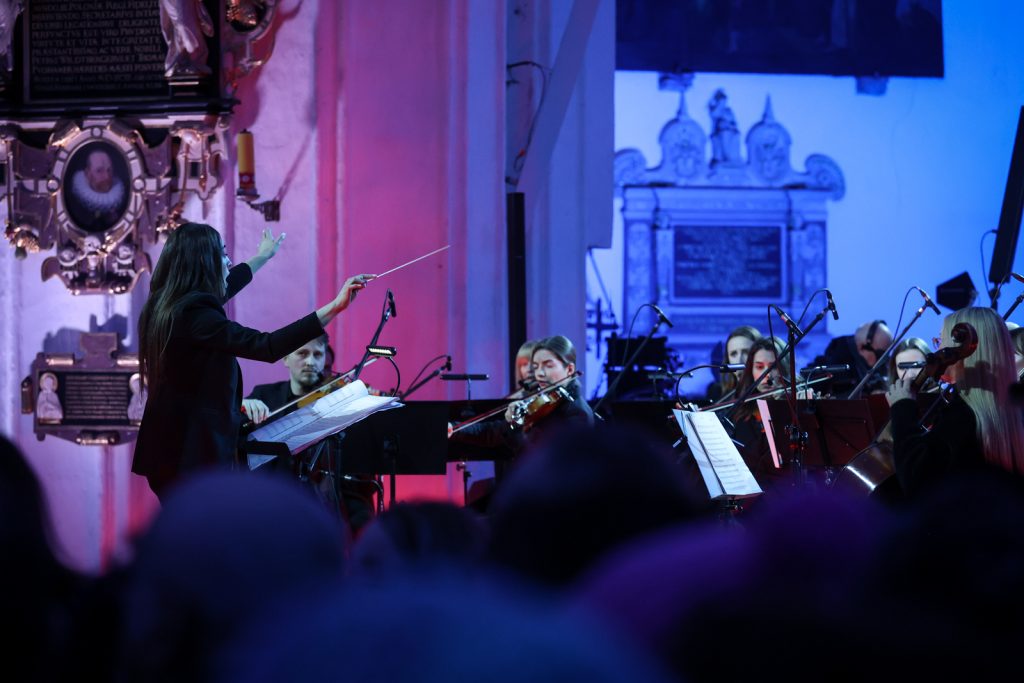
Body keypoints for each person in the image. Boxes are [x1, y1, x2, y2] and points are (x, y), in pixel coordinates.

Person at [132, 222, 373, 500]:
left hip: (169, 453)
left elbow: (229, 283)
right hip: (189, 457)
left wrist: (263, 256)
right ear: (204, 262)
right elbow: (266, 346)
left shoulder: (165, 304)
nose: (229, 261)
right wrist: (335, 307)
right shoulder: (194, 314)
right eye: (223, 254)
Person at [241, 332, 376, 531]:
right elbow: (235, 436)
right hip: (271, 504)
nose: (311, 362)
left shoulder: (337, 399)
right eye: (302, 354)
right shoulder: (265, 395)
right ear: (285, 359)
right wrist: (242, 405)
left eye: (318, 355)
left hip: (322, 506)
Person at [887, 307, 1024, 497]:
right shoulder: (1012, 409)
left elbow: (915, 480)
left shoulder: (961, 416)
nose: (939, 352)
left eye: (940, 341)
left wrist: (902, 408)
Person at [728, 336, 791, 488]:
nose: (767, 375)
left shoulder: (794, 403)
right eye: (759, 367)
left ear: (784, 368)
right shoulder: (742, 411)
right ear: (751, 370)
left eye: (773, 367)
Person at [815, 319, 893, 396]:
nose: (884, 361)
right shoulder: (832, 369)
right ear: (861, 347)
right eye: (880, 355)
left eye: (886, 355)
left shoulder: (882, 368)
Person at [69, 148, 126, 232]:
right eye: (99, 171)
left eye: (109, 170)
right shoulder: (75, 205)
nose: (107, 176)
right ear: (87, 173)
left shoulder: (121, 201)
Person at [706, 325, 762, 401]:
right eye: (733, 354)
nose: (739, 360)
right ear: (728, 360)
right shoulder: (723, 398)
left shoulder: (767, 393)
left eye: (746, 352)